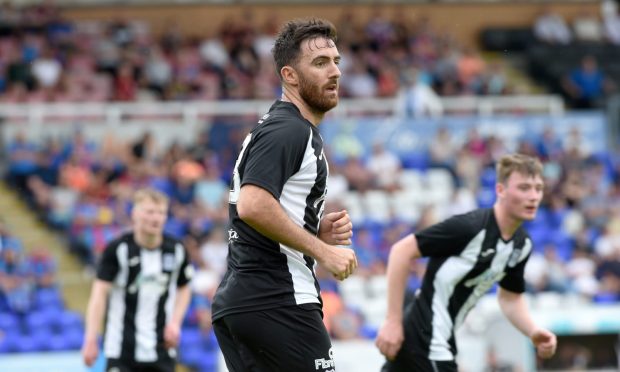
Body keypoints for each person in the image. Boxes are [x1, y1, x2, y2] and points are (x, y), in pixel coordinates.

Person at [211, 18, 358, 372]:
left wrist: (311, 230)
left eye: (336, 61)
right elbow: (252, 204)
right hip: (277, 300)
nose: (334, 72)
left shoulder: (280, 127)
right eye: (320, 63)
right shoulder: (291, 130)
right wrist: (323, 251)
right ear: (290, 75)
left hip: (249, 298)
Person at [375, 154, 557, 372]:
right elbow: (401, 252)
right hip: (426, 339)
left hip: (431, 339)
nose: (533, 196)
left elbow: (510, 298)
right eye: (524, 188)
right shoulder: (470, 227)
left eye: (538, 188)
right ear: (500, 190)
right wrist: (392, 321)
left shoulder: (521, 244)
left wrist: (532, 331)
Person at [81, 188, 193, 372]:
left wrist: (175, 323)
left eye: (161, 213)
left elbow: (184, 287)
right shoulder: (117, 250)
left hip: (162, 349)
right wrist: (90, 338)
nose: (156, 218)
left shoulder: (177, 250)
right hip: (121, 350)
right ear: (135, 214)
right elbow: (99, 294)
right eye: (150, 212)